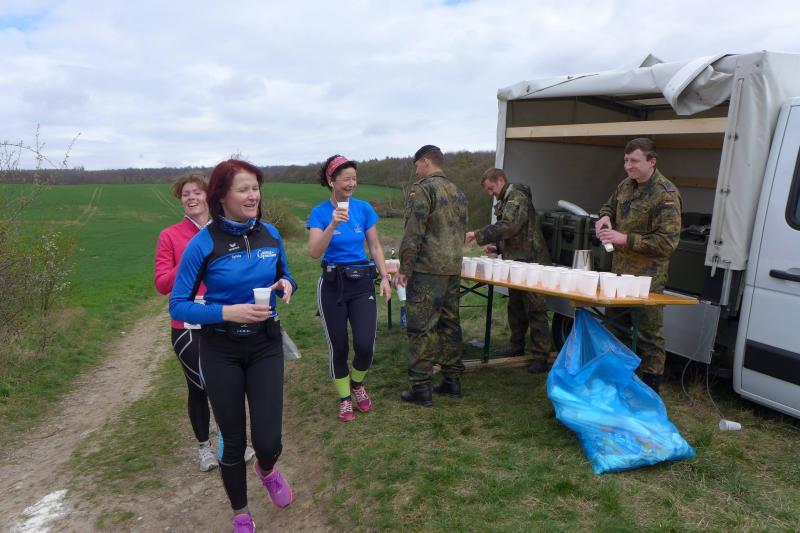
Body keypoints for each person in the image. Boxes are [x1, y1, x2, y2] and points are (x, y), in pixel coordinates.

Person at [170, 159, 297, 533]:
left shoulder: (271, 234)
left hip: (265, 344)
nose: (253, 195)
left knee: (268, 441)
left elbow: (285, 275)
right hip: (220, 350)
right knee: (233, 439)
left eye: (256, 188)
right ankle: (241, 513)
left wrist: (287, 285)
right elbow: (178, 305)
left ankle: (267, 469)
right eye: (244, 189)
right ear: (221, 196)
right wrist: (227, 312)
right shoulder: (203, 243)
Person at [154, 172, 256, 473]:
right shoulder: (170, 236)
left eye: (197, 192)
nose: (192, 198)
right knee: (199, 386)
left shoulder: (223, 231)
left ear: (209, 197)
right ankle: (204, 448)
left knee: (228, 384)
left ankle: (231, 441)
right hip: (188, 323)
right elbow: (161, 283)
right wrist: (190, 257)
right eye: (186, 194)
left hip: (224, 316)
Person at [307, 155, 392, 422]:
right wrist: (332, 224)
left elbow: (375, 246)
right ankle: (345, 399)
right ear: (331, 181)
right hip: (332, 285)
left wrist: (385, 276)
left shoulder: (364, 209)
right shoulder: (319, 212)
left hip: (361, 283)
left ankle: (357, 383)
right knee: (339, 347)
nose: (351, 183)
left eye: (354, 178)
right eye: (346, 179)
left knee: (365, 345)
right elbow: (314, 252)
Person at [595, 138, 682, 394]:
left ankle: (650, 390)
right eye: (625, 160)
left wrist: (625, 239)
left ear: (651, 162)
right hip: (620, 275)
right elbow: (609, 206)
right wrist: (604, 218)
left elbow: (667, 243)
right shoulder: (626, 185)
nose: (628, 166)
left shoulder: (666, 194)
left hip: (647, 280)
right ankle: (616, 382)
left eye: (634, 161)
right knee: (614, 328)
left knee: (648, 336)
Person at [396, 145, 468, 406]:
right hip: (452, 268)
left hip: (427, 270)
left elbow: (413, 232)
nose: (416, 170)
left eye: (417, 165)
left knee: (421, 327)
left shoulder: (423, 190)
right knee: (450, 324)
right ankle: (452, 380)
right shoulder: (458, 192)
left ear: (425, 162)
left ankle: (421, 387)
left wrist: (405, 268)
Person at [465, 167, 553, 373]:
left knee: (535, 309)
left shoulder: (516, 197)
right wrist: (498, 247)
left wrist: (479, 234)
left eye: (491, 188)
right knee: (516, 308)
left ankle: (541, 356)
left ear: (501, 180)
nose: (491, 193)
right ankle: (516, 348)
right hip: (516, 261)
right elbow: (513, 234)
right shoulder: (505, 199)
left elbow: (510, 225)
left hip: (532, 261)